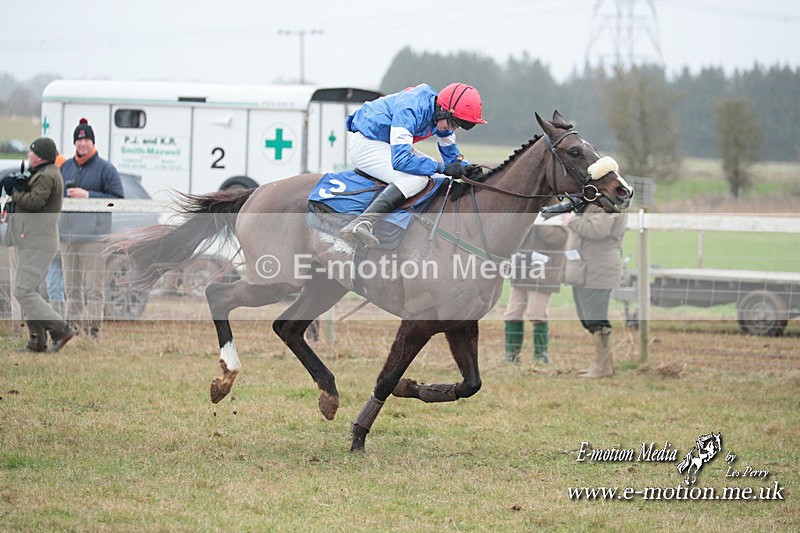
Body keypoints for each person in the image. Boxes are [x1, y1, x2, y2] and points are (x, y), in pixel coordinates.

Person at [340, 82, 487, 247]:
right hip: (367, 143)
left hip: (385, 143)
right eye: (453, 123)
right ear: (443, 109)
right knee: (417, 180)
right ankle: (361, 222)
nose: (453, 129)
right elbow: (401, 160)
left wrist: (466, 169)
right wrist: (443, 168)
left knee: (438, 178)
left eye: (457, 125)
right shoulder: (411, 109)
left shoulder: (441, 115)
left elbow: (451, 159)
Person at [2, 137, 75, 352]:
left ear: (41, 156)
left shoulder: (48, 175)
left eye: (31, 153)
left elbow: (35, 202)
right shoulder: (43, 173)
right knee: (30, 290)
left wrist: (14, 192)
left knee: (23, 290)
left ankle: (61, 329)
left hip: (38, 242)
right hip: (33, 240)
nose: (28, 156)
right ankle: (37, 341)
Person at [58, 118, 124, 338]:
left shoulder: (106, 169)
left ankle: (93, 332)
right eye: (79, 139)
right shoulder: (65, 167)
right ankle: (71, 331)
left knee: (93, 288)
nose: (83, 143)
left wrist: (89, 196)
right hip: (67, 237)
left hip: (93, 239)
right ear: (74, 143)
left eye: (86, 139)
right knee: (71, 288)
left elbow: (118, 200)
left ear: (92, 142)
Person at [562, 205, 628, 378]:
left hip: (597, 268)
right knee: (589, 318)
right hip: (586, 269)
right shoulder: (597, 202)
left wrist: (572, 220)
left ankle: (602, 367)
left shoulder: (605, 204)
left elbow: (598, 229)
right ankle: (604, 365)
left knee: (596, 319)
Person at [503, 223, 568, 364]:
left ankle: (541, 356)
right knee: (512, 313)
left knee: (537, 314)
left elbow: (559, 238)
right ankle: (512, 356)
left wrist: (539, 222)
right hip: (521, 271)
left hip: (542, 275)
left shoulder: (556, 210)